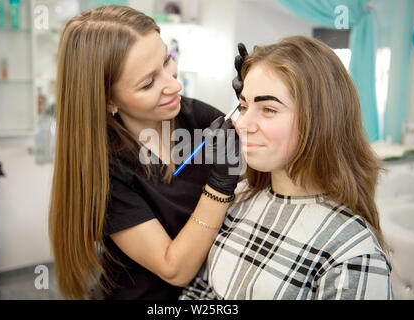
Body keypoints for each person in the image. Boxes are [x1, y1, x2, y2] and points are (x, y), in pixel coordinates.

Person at [48, 5, 241, 300]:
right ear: (107, 99)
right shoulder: (105, 169)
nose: (174, 84)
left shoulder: (196, 117)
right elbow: (174, 268)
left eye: (167, 60)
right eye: (149, 83)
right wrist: (219, 186)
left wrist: (254, 107)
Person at [180, 36, 393, 300]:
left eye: (268, 109)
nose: (243, 124)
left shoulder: (351, 252)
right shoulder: (239, 199)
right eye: (244, 106)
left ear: (320, 120)